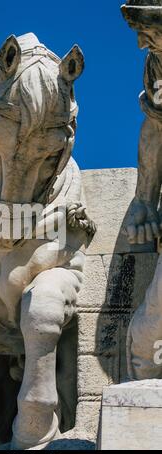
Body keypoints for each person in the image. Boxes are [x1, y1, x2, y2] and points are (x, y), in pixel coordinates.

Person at [121, 0, 162, 379]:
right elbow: (156, 127)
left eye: (148, 30)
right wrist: (145, 200)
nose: (141, 44)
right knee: (153, 328)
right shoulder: (157, 64)